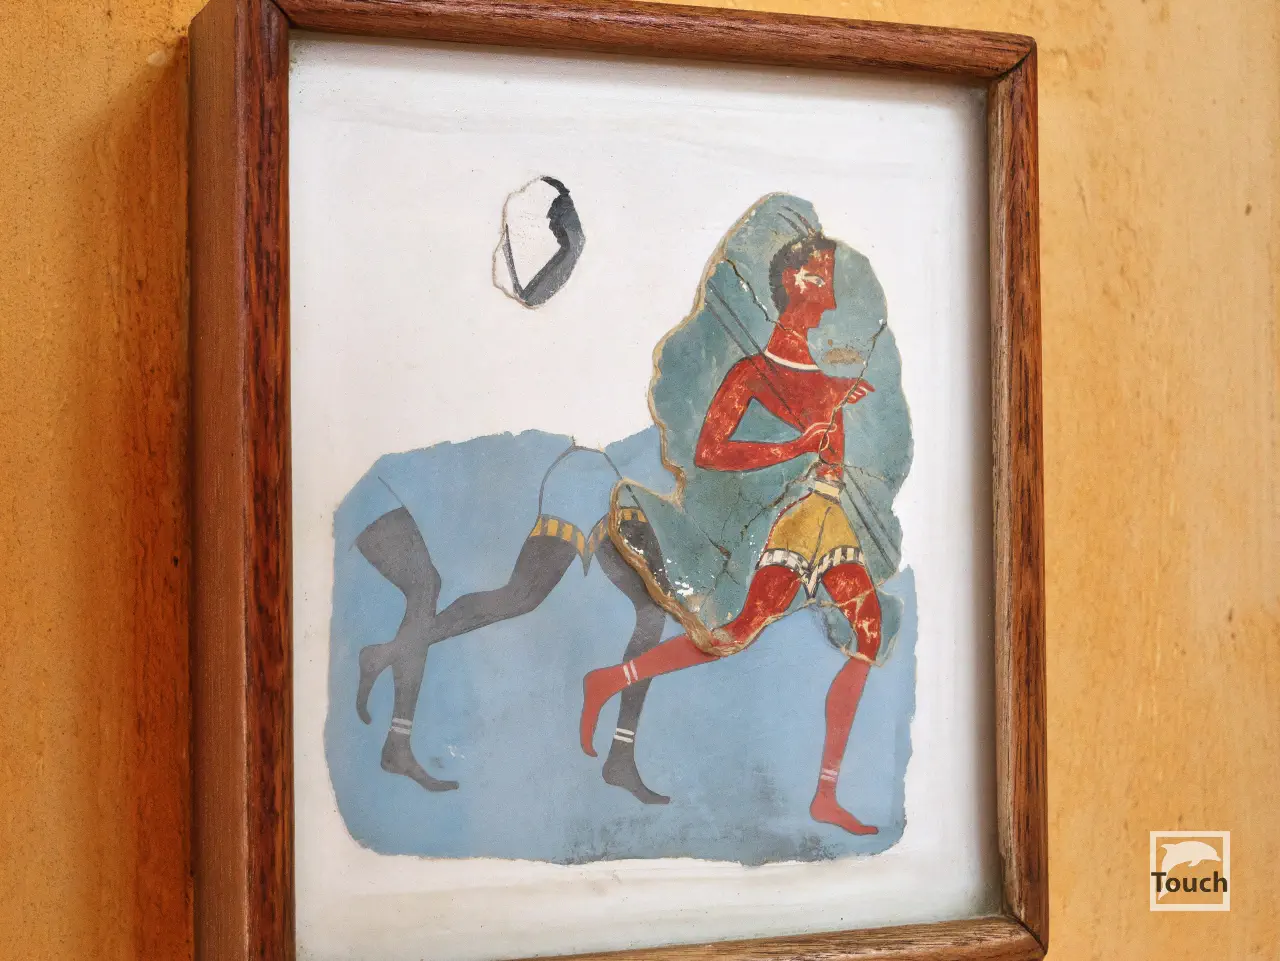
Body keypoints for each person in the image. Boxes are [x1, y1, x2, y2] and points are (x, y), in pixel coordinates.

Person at [578, 233, 884, 835]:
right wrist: (795, 445)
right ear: (792, 282)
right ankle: (609, 679)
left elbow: (836, 453)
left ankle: (825, 795)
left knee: (862, 636)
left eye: (829, 277)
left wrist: (836, 406)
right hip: (794, 518)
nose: (829, 290)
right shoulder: (753, 371)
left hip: (832, 517)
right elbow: (711, 451)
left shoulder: (830, 378)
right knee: (735, 634)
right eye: (819, 275)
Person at [355, 439, 674, 805]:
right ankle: (620, 755)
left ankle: (387, 661)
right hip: (594, 484)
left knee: (521, 598)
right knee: (525, 598)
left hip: (592, 481)